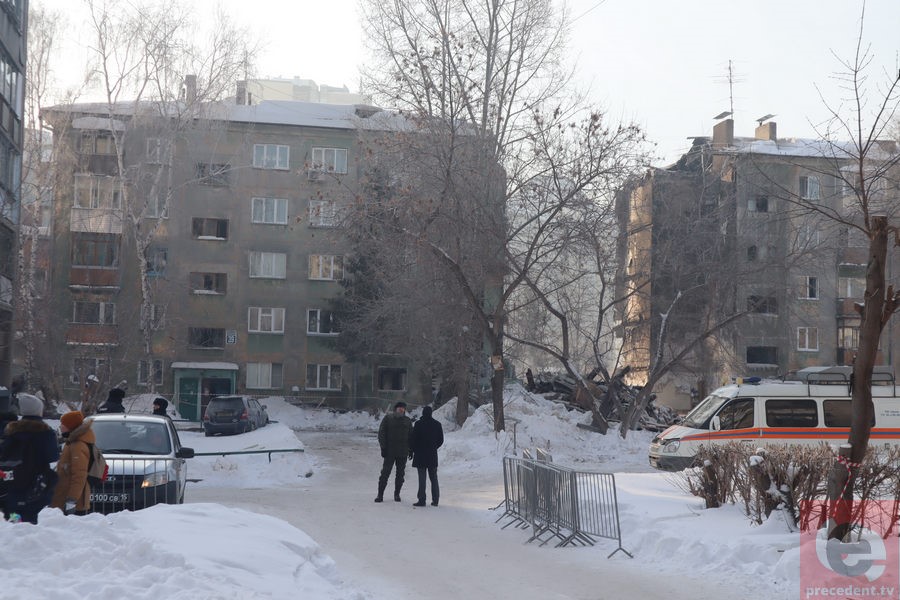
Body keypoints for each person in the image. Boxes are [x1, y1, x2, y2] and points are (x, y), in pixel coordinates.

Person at [0, 394, 59, 524]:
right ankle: (29, 537)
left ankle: (17, 530)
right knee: (32, 520)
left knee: (14, 518)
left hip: (13, 484)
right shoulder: (46, 433)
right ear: (39, 411)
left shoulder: (11, 431)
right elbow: (53, 457)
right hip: (36, 486)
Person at [51, 411, 95, 516]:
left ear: (71, 426)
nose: (60, 427)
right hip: (65, 498)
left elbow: (79, 475)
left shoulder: (78, 445)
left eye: (63, 424)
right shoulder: (72, 442)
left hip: (73, 503)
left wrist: (72, 500)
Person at [375, 401, 412, 503]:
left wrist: (411, 450)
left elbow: (411, 436)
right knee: (385, 473)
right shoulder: (388, 419)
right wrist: (383, 447)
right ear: (395, 409)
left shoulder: (407, 421)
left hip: (403, 452)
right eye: (399, 408)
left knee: (400, 475)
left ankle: (397, 494)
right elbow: (381, 433)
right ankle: (380, 495)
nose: (401, 410)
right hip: (390, 452)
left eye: (403, 408)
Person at [409, 405, 444, 507]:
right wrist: (433, 447)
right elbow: (440, 440)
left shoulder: (418, 424)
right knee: (434, 478)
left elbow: (413, 439)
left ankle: (422, 499)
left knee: (422, 478)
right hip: (432, 455)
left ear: (423, 413)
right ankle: (435, 500)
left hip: (420, 455)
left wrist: (412, 450)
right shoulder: (437, 425)